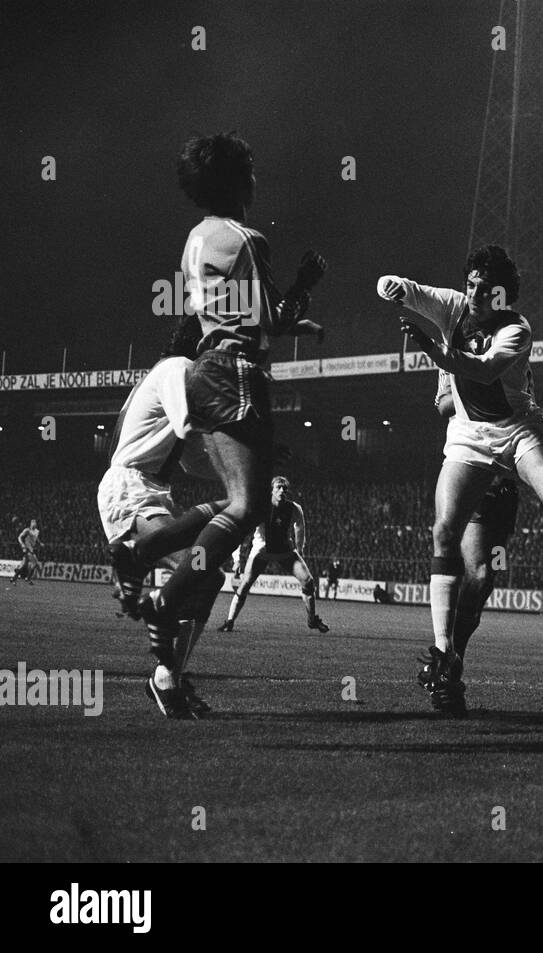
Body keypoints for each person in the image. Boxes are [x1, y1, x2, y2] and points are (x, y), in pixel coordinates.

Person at [135, 132, 326, 661]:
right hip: (238, 373)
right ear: (239, 179)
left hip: (205, 370)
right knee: (248, 505)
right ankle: (167, 598)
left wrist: (295, 326)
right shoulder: (246, 240)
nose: (256, 177)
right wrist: (305, 283)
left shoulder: (198, 237)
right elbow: (266, 318)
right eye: (251, 167)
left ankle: (151, 552)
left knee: (238, 502)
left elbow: (230, 312)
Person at [376, 245, 543, 710]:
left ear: (502, 296)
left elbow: (484, 370)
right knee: (452, 540)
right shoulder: (453, 306)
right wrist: (390, 286)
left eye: (483, 289)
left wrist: (436, 352)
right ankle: (446, 656)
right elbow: (413, 293)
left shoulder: (516, 329)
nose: (472, 294)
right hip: (469, 442)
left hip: (516, 434)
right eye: (469, 284)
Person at [99, 315, 227, 718]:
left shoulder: (173, 373)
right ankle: (134, 557)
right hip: (131, 486)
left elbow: (193, 462)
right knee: (199, 567)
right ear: (202, 344)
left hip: (151, 489)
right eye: (220, 344)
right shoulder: (178, 368)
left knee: (211, 575)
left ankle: (170, 676)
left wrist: (239, 471)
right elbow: (188, 425)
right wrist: (241, 443)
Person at [415, 370, 520, 715]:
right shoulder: (454, 354)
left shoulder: (512, 345)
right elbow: (444, 405)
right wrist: (476, 384)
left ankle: (448, 663)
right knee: (476, 573)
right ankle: (447, 664)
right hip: (473, 469)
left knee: (486, 577)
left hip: (506, 482)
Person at [218, 476, 328, 633]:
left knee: (308, 582)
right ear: (271, 490)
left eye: (285, 488)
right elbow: (241, 532)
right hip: (262, 551)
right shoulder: (260, 509)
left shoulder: (294, 508)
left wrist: (300, 548)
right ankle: (229, 621)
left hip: (285, 550)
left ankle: (312, 620)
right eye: (278, 487)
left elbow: (300, 527)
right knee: (244, 585)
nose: (282, 490)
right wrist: (237, 559)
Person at [12, 519, 41, 584]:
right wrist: (22, 544)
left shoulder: (37, 531)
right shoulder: (27, 530)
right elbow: (19, 537)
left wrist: (40, 542)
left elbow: (36, 538)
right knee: (35, 563)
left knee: (24, 564)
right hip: (27, 549)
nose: (34, 524)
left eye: (35, 523)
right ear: (30, 524)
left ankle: (14, 578)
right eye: (33, 522)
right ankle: (28, 578)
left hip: (32, 549)